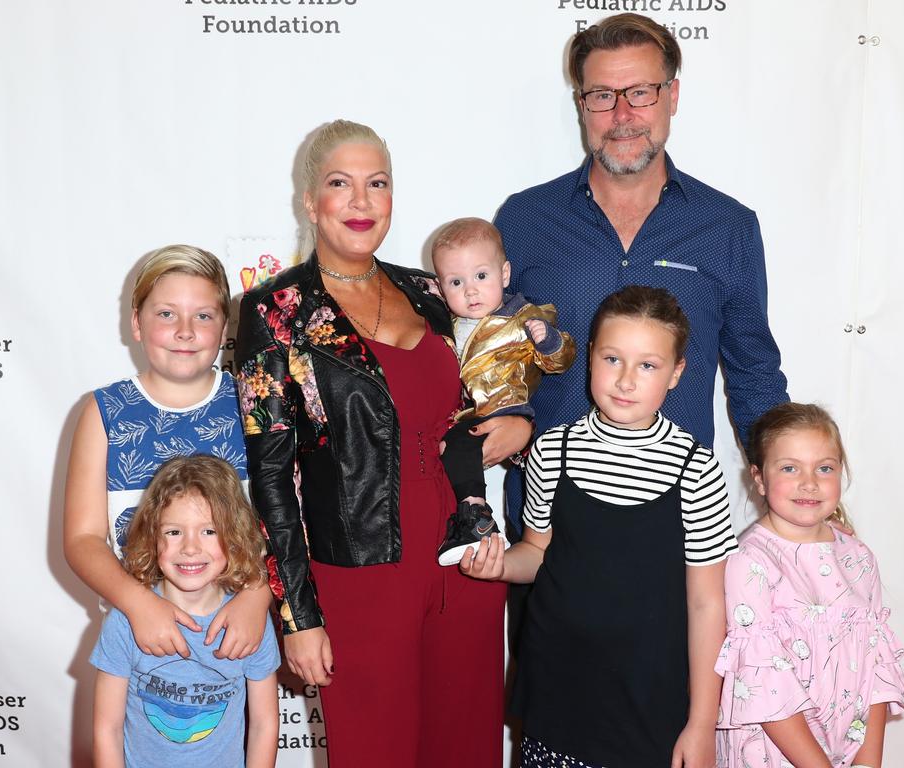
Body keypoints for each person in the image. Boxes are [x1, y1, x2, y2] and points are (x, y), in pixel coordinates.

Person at [234, 120, 514, 767]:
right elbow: (271, 479)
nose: (361, 202)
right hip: (359, 573)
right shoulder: (274, 312)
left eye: (377, 183)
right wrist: (298, 616)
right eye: (341, 183)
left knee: (466, 749)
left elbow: (471, 408)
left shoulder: (430, 291)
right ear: (311, 200)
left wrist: (516, 428)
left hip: (463, 562)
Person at [495, 13, 789, 528]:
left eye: (642, 93)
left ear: (672, 97)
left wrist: (790, 481)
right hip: (548, 523)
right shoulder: (524, 219)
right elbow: (489, 354)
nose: (623, 114)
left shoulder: (728, 227)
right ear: (581, 105)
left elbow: (754, 376)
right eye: (603, 96)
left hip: (676, 522)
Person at [463, 285, 735, 768]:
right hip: (558, 690)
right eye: (612, 359)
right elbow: (537, 555)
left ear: (676, 374)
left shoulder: (696, 467)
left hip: (650, 700)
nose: (626, 380)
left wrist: (702, 722)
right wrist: (497, 565)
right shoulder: (553, 449)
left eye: (647, 365)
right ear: (589, 357)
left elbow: (707, 602)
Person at [64, 244, 272, 660]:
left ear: (225, 328)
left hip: (239, 638)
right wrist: (140, 605)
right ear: (136, 324)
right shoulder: (104, 413)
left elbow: (290, 521)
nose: (185, 330)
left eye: (203, 315)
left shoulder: (256, 405)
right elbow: (82, 539)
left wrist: (258, 595)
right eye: (166, 314)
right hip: (142, 638)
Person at [715, 403, 904, 768]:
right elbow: (764, 685)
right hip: (772, 754)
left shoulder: (858, 557)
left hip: (844, 752)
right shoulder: (749, 562)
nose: (809, 483)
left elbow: (876, 671)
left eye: (824, 468)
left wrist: (868, 763)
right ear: (759, 478)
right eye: (790, 468)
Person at [90, 455, 280, 768]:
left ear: (233, 537)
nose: (190, 548)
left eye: (208, 531)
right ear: (153, 537)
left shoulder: (251, 625)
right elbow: (106, 729)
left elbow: (264, 725)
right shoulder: (124, 623)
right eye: (174, 532)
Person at [431, 216, 576, 565]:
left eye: (481, 276)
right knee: (451, 450)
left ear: (505, 275)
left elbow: (560, 361)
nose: (471, 290)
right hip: (471, 412)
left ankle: (477, 519)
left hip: (505, 406)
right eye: (456, 282)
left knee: (457, 449)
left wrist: (549, 342)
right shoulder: (444, 324)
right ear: (440, 286)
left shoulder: (521, 318)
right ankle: (474, 522)